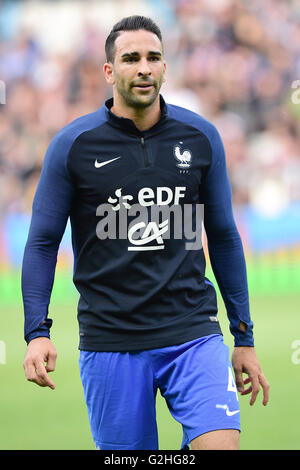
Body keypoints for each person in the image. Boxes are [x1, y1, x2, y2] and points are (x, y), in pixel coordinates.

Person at [22, 15, 269, 451]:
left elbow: (225, 237)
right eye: (130, 58)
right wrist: (37, 332)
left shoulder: (200, 137)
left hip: (193, 332)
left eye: (153, 57)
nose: (144, 68)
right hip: (111, 341)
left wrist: (244, 337)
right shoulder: (72, 145)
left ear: (165, 67)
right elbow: (43, 243)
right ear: (108, 70)